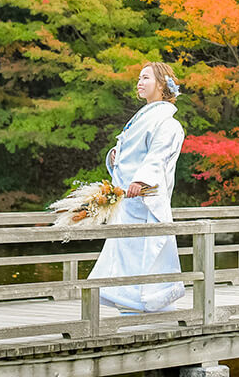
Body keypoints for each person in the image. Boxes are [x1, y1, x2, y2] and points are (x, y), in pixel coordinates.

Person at [88, 61, 187, 312]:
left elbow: (157, 155)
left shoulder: (167, 121)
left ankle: (151, 303)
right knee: (125, 251)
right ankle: (128, 303)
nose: (140, 83)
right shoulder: (143, 116)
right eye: (139, 78)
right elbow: (128, 150)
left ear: (162, 84)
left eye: (146, 78)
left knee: (146, 250)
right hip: (128, 198)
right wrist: (114, 157)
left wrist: (141, 180)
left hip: (145, 197)